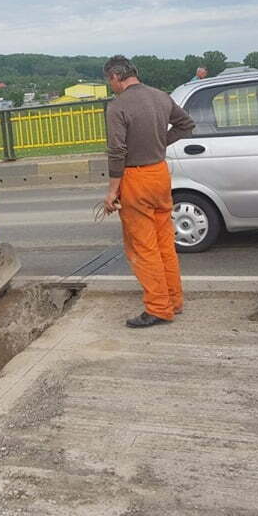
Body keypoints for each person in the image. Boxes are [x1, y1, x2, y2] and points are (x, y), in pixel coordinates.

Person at [102, 55, 196, 328]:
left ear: (115, 77)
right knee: (165, 241)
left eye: (110, 82)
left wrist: (111, 191)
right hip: (159, 174)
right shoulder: (160, 97)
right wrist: (160, 142)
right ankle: (173, 300)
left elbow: (117, 151)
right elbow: (185, 125)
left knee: (143, 248)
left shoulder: (118, 107)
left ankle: (158, 308)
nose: (111, 87)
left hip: (136, 178)